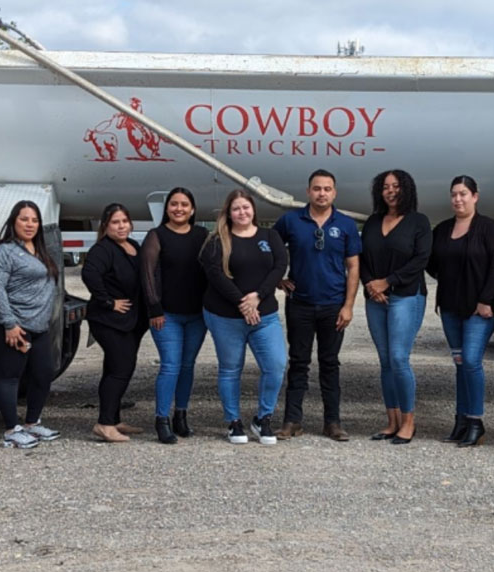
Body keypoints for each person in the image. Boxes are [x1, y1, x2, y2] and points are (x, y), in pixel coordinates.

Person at [273, 169, 361, 442]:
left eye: (327, 189)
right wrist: (278, 279)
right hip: (300, 305)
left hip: (333, 306)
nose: (321, 193)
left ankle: (332, 423)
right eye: (317, 188)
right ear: (308, 191)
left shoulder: (345, 224)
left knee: (330, 364)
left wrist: (348, 306)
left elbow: (354, 266)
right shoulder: (290, 221)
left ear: (334, 192)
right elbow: (268, 249)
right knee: (298, 363)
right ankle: (292, 421)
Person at [199, 190, 288, 444]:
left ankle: (263, 419)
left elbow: (280, 266)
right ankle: (233, 422)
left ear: (253, 210)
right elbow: (215, 276)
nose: (242, 213)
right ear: (229, 213)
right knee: (230, 369)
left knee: (275, 366)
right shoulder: (217, 241)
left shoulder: (270, 236)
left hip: (265, 315)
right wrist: (243, 303)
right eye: (236, 209)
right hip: (225, 316)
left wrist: (257, 297)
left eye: (246, 208)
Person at [427, 175, 494, 447]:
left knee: (471, 361)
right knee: (460, 364)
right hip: (450, 307)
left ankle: (476, 420)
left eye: (463, 194)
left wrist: (485, 299)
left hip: (479, 309)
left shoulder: (488, 227)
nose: (458, 199)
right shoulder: (443, 229)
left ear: (475, 196)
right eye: (454, 195)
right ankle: (460, 420)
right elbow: (432, 263)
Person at [360, 169, 431, 444]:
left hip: (406, 296)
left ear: (406, 189)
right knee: (386, 361)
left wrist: (387, 282)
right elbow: (362, 257)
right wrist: (370, 284)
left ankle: (408, 422)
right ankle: (391, 421)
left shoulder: (418, 222)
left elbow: (420, 259)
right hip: (375, 299)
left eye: (396, 186)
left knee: (399, 358)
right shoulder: (373, 221)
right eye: (385, 187)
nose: (390, 191)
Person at [0, 200, 61, 449]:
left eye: (34, 220)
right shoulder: (6, 251)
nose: (29, 224)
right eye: (24, 219)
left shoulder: (39, 249)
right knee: (10, 377)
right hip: (18, 327)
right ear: (13, 221)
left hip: (40, 327)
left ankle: (32, 423)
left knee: (43, 374)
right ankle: (11, 430)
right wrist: (9, 324)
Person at [141, 187, 208, 444]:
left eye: (184, 205)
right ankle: (162, 419)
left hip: (197, 316)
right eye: (174, 204)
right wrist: (154, 308)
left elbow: (214, 268)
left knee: (188, 366)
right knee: (170, 365)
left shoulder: (202, 235)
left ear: (192, 209)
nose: (179, 209)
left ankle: (181, 414)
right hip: (166, 315)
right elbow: (147, 273)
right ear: (167, 208)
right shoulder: (156, 236)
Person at [82, 204, 148, 442]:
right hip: (108, 321)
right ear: (105, 226)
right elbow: (89, 275)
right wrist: (109, 302)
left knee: (114, 369)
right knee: (121, 369)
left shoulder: (133, 246)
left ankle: (114, 418)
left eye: (124, 221)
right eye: (115, 222)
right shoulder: (103, 250)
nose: (121, 226)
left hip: (131, 321)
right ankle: (104, 424)